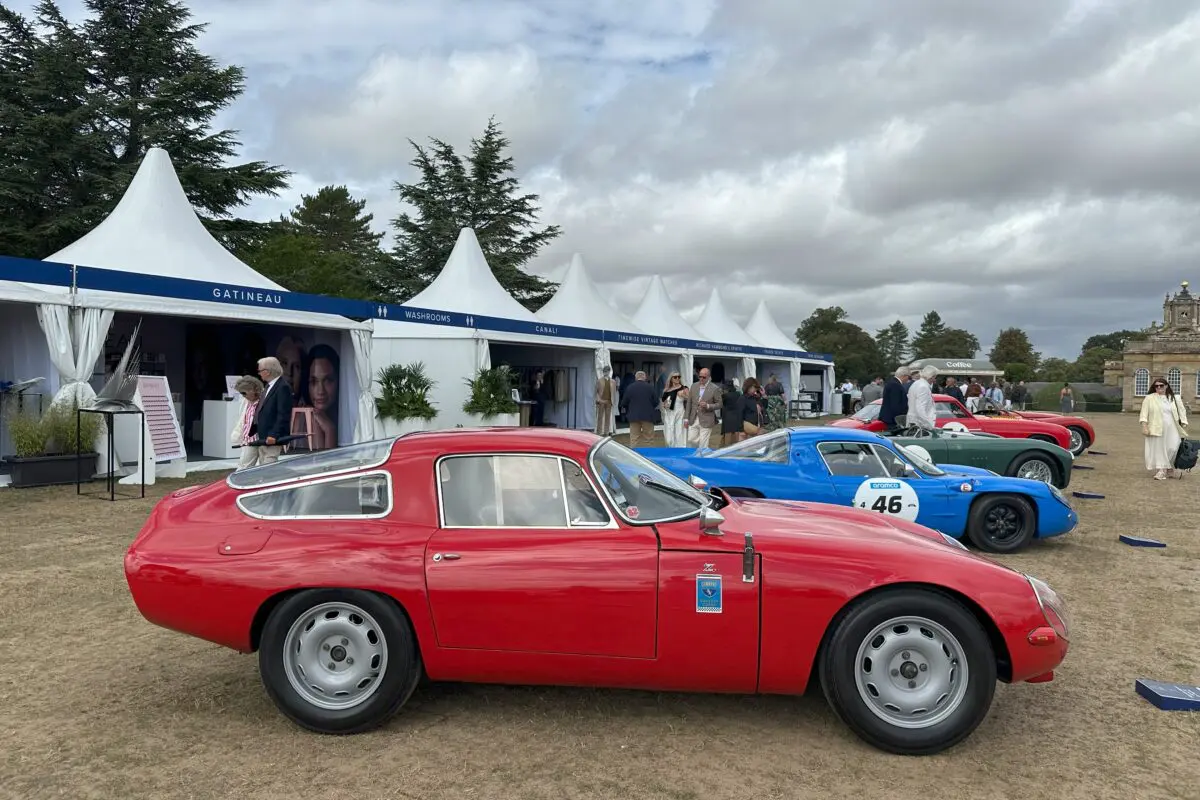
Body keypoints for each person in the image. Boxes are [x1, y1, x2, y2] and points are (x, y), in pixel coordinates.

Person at [1140, 377, 1189, 480]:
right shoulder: (1149, 398)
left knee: (1173, 447)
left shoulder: (1175, 398)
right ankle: (1162, 471)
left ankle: (1169, 469)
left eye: (1161, 385)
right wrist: (1144, 426)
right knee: (1160, 449)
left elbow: (1182, 411)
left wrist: (1184, 423)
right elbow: (1144, 414)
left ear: (1166, 386)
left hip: (1172, 427)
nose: (1159, 388)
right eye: (1156, 386)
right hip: (1156, 427)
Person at [252, 356, 293, 464]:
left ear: (268, 372)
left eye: (260, 371)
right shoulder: (268, 386)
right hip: (263, 435)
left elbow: (283, 414)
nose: (259, 373)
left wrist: (274, 434)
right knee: (262, 465)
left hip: (272, 437)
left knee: (268, 466)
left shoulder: (282, 387)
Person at [302, 343, 339, 450]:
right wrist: (330, 430)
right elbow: (324, 464)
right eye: (313, 381)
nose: (320, 391)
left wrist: (329, 429)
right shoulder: (308, 419)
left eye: (327, 380)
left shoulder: (348, 417)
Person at [230, 375, 265, 470]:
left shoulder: (265, 400)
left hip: (262, 439)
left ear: (252, 390)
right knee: (243, 466)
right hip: (249, 440)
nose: (243, 395)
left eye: (244, 393)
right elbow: (243, 420)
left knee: (263, 466)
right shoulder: (246, 402)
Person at [685, 367, 722, 449]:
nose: (701, 379)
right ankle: (699, 452)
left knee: (703, 443)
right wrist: (686, 418)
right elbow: (689, 403)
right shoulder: (694, 386)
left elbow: (720, 404)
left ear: (709, 377)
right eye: (700, 376)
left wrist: (708, 405)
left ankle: (702, 458)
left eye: (704, 377)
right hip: (693, 418)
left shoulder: (715, 388)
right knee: (690, 439)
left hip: (707, 418)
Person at [619, 371, 658, 448]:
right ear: (645, 377)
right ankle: (648, 456)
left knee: (634, 439)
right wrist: (650, 407)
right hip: (648, 416)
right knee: (649, 439)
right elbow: (656, 401)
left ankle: (634, 456)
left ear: (636, 378)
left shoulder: (630, 387)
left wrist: (630, 408)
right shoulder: (650, 387)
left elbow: (624, 402)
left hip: (633, 416)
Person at [660, 372, 688, 446]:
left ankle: (680, 450)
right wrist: (664, 405)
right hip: (669, 414)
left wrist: (683, 396)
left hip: (679, 412)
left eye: (679, 377)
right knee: (669, 435)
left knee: (679, 433)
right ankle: (670, 448)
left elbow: (690, 399)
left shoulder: (684, 388)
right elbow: (663, 402)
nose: (677, 378)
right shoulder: (666, 390)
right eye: (675, 377)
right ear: (671, 379)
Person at [879, 366, 911, 432]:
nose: (908, 379)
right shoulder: (896, 385)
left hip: (889, 418)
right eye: (908, 376)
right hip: (893, 420)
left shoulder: (891, 383)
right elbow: (895, 405)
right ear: (904, 376)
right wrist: (900, 420)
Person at [907, 365, 939, 431]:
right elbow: (920, 408)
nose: (934, 380)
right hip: (920, 425)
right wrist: (928, 426)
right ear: (931, 377)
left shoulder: (916, 383)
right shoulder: (923, 387)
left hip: (914, 422)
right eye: (934, 377)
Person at [594, 366, 617, 436]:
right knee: (600, 417)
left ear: (609, 372)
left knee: (608, 417)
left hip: (609, 401)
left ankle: (606, 432)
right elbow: (596, 392)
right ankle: (599, 432)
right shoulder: (599, 380)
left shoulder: (613, 382)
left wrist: (613, 401)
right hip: (601, 401)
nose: (606, 372)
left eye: (607, 371)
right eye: (604, 371)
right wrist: (598, 400)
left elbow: (614, 393)